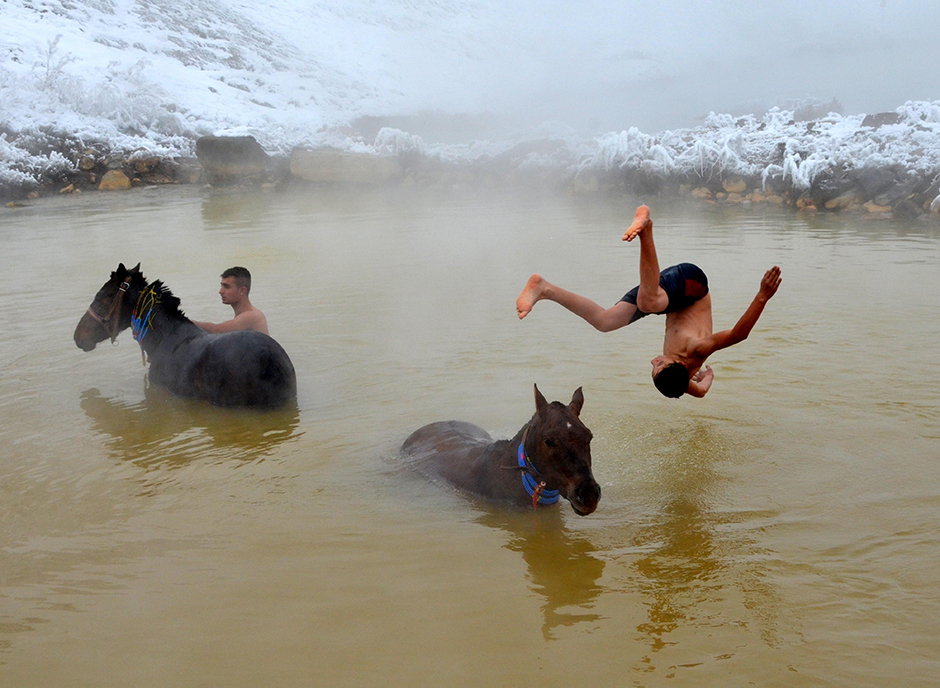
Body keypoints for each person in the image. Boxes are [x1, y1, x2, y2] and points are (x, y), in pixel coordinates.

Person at [515, 205, 781, 398]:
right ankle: (646, 227)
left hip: (668, 300)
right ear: (679, 364)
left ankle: (544, 288)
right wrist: (762, 295)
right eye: (660, 364)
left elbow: (699, 392)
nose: (653, 361)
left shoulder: (678, 378)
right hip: (692, 286)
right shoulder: (697, 349)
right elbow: (739, 334)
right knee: (649, 301)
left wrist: (709, 377)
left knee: (605, 322)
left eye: (654, 369)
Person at [192, 266, 269, 335]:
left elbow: (218, 330)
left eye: (226, 287)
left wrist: (184, 321)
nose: (220, 291)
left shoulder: (251, 316)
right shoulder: (241, 316)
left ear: (242, 291)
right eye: (221, 286)